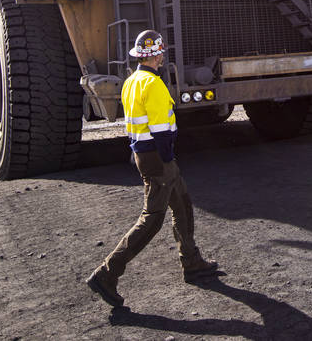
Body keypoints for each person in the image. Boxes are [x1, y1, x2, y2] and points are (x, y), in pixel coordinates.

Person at [86, 30, 219, 307]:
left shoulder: (131, 82)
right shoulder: (154, 85)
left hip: (144, 154)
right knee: (152, 218)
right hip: (158, 157)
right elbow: (161, 130)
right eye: (160, 54)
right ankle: (106, 273)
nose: (161, 57)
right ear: (158, 55)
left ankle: (192, 261)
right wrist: (168, 157)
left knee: (182, 204)